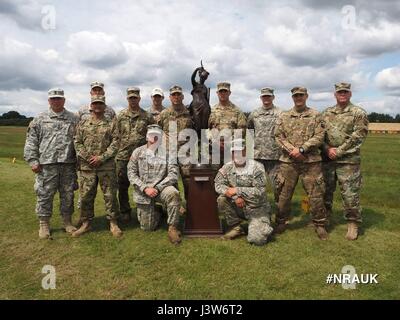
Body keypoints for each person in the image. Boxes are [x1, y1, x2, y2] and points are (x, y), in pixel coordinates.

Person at [24, 88, 79, 239]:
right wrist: (33, 161)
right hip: (46, 165)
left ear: (64, 100)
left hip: (68, 164)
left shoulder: (74, 118)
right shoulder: (40, 119)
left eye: (59, 98)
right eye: (53, 99)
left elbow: (79, 142)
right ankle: (44, 224)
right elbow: (31, 141)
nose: (56, 101)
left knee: (68, 195)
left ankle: (67, 222)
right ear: (49, 101)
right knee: (44, 195)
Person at [274, 86, 328, 240]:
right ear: (292, 97)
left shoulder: (316, 115)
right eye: (296, 95)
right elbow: (278, 136)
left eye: (301, 95)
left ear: (306, 96)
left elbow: (320, 136)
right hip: (288, 161)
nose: (298, 98)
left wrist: (303, 149)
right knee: (283, 194)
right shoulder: (284, 116)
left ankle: (320, 225)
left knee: (316, 194)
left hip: (310, 162)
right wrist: (293, 150)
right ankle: (281, 222)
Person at [322, 82, 369, 240]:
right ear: (335, 94)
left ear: (350, 94)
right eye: (339, 92)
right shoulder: (327, 112)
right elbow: (319, 134)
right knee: (325, 192)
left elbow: (358, 136)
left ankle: (352, 223)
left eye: (345, 92)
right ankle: (324, 219)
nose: (342, 94)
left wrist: (339, 151)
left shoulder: (358, 113)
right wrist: (327, 149)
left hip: (348, 161)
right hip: (327, 159)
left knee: (350, 194)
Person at [73, 95, 122, 237]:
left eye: (100, 103)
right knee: (86, 196)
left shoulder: (111, 123)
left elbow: (116, 142)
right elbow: (77, 142)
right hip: (87, 167)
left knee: (110, 195)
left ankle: (113, 223)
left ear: (104, 106)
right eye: (95, 103)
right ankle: (86, 223)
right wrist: (88, 158)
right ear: (91, 106)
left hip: (106, 166)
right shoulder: (83, 123)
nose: (98, 106)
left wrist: (102, 157)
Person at [127, 124, 182, 244]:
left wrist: (157, 187)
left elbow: (173, 174)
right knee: (148, 228)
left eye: (157, 136)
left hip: (161, 190)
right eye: (152, 136)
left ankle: (173, 227)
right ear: (147, 137)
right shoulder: (137, 152)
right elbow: (131, 173)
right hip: (144, 192)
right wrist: (145, 188)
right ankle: (157, 210)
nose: (154, 138)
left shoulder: (168, 154)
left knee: (173, 193)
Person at [215, 138, 273, 245]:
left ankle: (263, 223)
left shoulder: (257, 167)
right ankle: (236, 227)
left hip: (257, 208)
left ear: (245, 151)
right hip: (239, 207)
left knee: (257, 240)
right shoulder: (227, 167)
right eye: (234, 152)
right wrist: (235, 197)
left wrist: (238, 190)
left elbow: (260, 191)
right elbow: (218, 184)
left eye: (239, 151)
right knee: (222, 199)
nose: (237, 155)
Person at [115, 87, 154, 223]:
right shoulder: (120, 116)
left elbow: (153, 136)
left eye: (135, 97)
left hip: (142, 157)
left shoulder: (147, 116)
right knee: (123, 185)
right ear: (127, 99)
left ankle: (144, 209)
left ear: (139, 98)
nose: (133, 100)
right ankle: (125, 211)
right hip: (123, 156)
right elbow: (115, 135)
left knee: (143, 183)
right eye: (130, 97)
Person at [247, 87, 282, 210]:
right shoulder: (254, 114)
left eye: (268, 96)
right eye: (264, 96)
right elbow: (249, 132)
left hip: (275, 156)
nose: (266, 98)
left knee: (278, 187)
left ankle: (281, 214)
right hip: (258, 156)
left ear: (273, 97)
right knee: (257, 185)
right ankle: (259, 211)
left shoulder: (280, 113)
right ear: (261, 98)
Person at [158, 85, 193, 201]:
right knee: (170, 180)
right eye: (174, 95)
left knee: (188, 180)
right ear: (170, 97)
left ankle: (190, 205)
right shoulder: (164, 114)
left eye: (178, 94)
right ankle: (175, 206)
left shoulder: (189, 113)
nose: (176, 97)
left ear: (182, 96)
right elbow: (156, 132)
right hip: (169, 152)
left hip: (186, 153)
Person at [208, 82, 247, 169]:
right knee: (213, 178)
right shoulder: (211, 111)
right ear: (217, 93)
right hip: (215, 151)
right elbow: (207, 130)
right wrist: (215, 141)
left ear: (229, 93)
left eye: (225, 91)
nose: (223, 94)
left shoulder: (237, 111)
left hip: (231, 151)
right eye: (220, 91)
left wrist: (227, 142)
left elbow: (241, 131)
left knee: (231, 178)